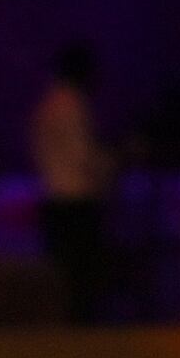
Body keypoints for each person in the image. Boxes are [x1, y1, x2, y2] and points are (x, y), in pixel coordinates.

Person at [28, 42, 116, 321]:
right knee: (81, 284)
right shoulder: (73, 105)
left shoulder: (47, 105)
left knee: (60, 278)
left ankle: (64, 336)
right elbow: (83, 156)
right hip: (76, 203)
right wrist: (114, 163)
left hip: (53, 198)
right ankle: (80, 342)